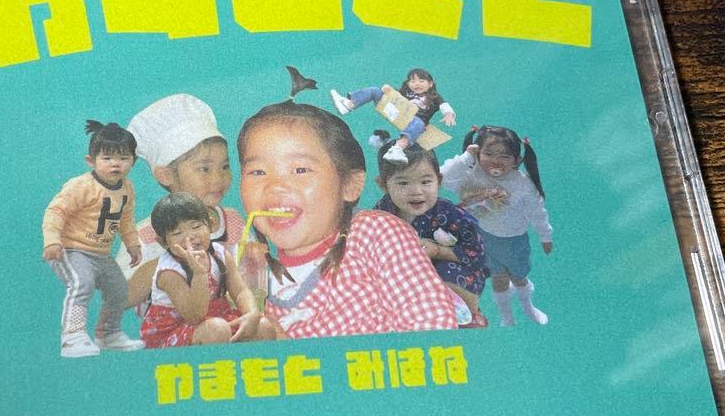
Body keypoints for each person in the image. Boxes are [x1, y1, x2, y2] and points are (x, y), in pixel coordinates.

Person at [237, 100, 462, 339]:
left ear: (350, 185)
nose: (275, 187)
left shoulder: (374, 234)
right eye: (257, 172)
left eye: (300, 170)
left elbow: (433, 327)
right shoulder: (256, 279)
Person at [123, 94, 247, 305]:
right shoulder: (146, 234)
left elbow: (251, 280)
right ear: (165, 175)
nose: (218, 178)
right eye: (204, 169)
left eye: (225, 167)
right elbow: (121, 298)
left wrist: (253, 259)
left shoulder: (233, 221)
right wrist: (168, 261)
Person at [42, 121, 144, 357]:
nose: (116, 164)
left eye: (123, 158)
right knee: (82, 283)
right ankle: (72, 336)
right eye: (107, 158)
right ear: (91, 161)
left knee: (119, 289)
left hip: (101, 254)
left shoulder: (127, 189)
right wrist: (52, 241)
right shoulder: (81, 186)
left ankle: (108, 334)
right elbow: (56, 211)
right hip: (70, 250)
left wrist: (133, 245)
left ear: (133, 161)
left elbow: (126, 220)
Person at [440, 126, 553, 327]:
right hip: (485, 238)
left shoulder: (522, 183)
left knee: (518, 279)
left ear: (517, 160)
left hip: (514, 241)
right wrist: (467, 157)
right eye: (489, 154)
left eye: (505, 156)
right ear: (478, 153)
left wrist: (545, 236)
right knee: (498, 279)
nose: (496, 161)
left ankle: (528, 307)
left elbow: (537, 211)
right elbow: (441, 177)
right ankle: (507, 316)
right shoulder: (472, 174)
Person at [373, 136, 488, 327]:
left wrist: (439, 251)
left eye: (425, 182)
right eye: (403, 183)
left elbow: (477, 255)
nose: (416, 191)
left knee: (446, 273)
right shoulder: (383, 212)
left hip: (452, 270)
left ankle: (471, 314)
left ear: (438, 180)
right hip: (408, 276)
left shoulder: (451, 215)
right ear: (383, 185)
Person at [140, 193, 276, 348]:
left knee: (262, 327)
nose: (190, 236)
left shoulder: (219, 253)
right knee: (216, 330)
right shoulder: (169, 273)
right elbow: (195, 316)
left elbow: (240, 291)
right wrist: (199, 274)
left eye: (196, 226)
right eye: (177, 233)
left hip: (216, 320)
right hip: (174, 333)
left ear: (210, 224)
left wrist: (251, 313)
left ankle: (246, 363)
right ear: (163, 242)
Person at [328, 67, 455, 163]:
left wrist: (449, 114)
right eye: (413, 81)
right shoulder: (406, 92)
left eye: (421, 81)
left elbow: (444, 106)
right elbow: (394, 96)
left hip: (414, 122)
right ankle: (349, 105)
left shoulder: (434, 97)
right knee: (375, 90)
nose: (417, 84)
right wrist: (387, 90)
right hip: (398, 113)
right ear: (408, 83)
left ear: (430, 84)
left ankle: (397, 149)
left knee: (418, 122)